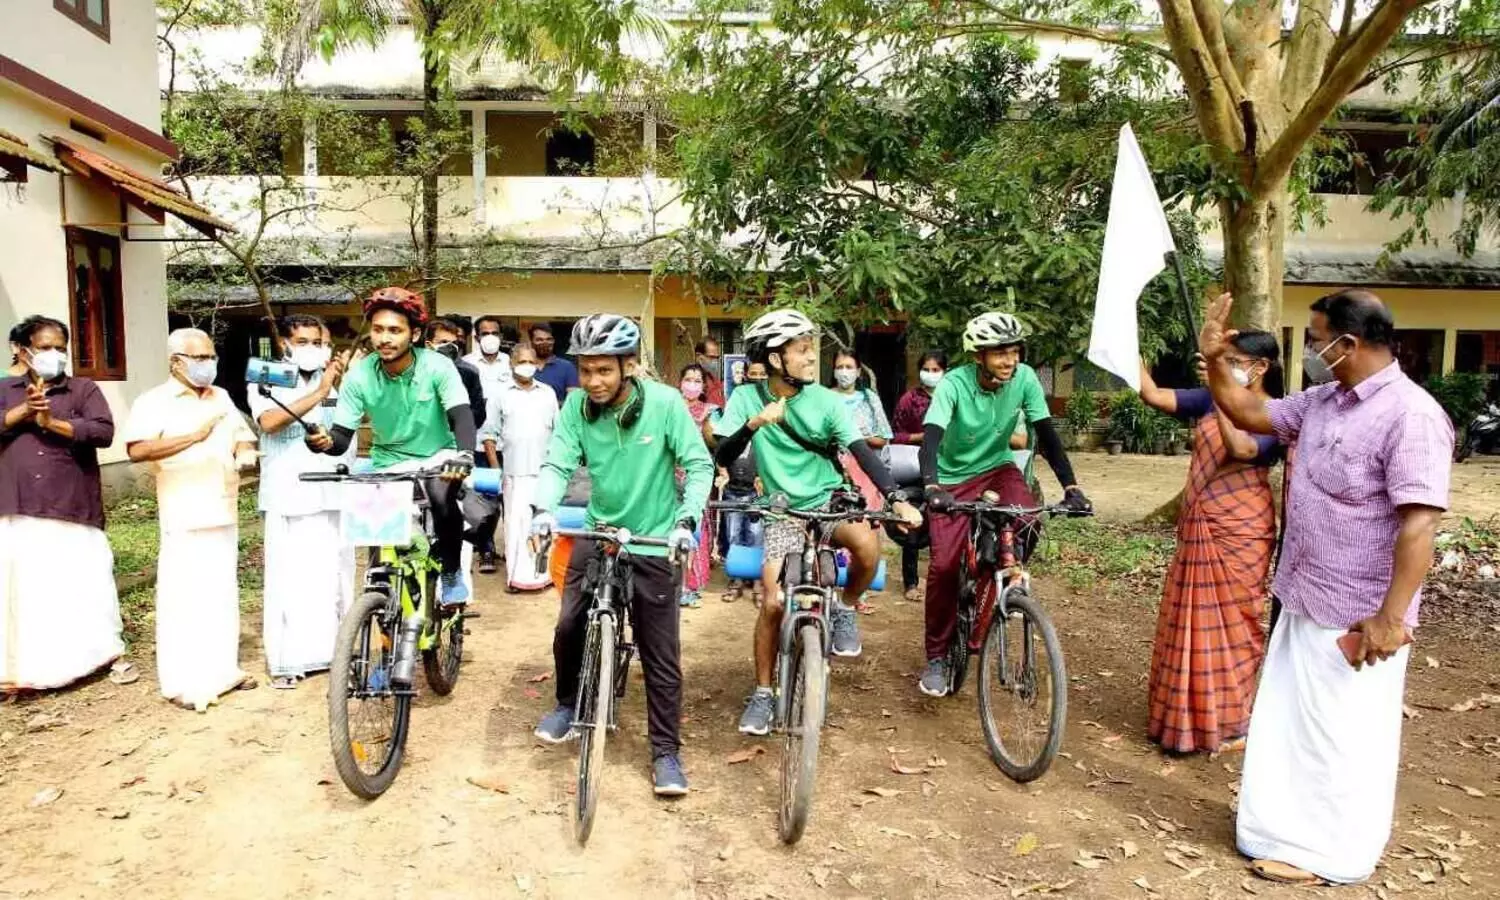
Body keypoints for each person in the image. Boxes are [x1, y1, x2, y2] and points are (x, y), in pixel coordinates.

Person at [1200, 290, 1451, 886]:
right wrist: (1213, 359)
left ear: (1349, 343)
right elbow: (1249, 412)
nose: (1311, 351)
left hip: (1358, 614)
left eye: (1316, 340)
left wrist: (1391, 618)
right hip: (1304, 594)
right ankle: (1280, 833)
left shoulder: (1411, 416)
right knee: (1292, 726)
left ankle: (1332, 855)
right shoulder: (1323, 401)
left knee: (1343, 738)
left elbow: (1420, 525)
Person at [712, 309, 921, 737]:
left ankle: (844, 607)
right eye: (803, 350)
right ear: (776, 359)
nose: (812, 358)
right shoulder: (747, 397)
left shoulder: (826, 401)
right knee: (773, 602)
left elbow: (860, 451)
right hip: (781, 509)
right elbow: (724, 454)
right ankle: (763, 692)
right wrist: (754, 424)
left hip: (829, 499)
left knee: (867, 547)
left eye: (811, 349)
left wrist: (896, 499)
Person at [529, 314, 712, 798]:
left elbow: (698, 465)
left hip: (654, 538)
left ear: (628, 366)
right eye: (586, 370)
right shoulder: (576, 407)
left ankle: (665, 752)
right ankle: (568, 703)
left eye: (604, 370)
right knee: (569, 625)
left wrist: (686, 521)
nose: (593, 381)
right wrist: (542, 510)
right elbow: (558, 462)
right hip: (600, 530)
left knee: (660, 652)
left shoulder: (666, 404)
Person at [919, 312, 1092, 697]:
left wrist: (1071, 486)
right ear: (978, 356)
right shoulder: (953, 384)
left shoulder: (1025, 379)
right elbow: (930, 439)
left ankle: (991, 582)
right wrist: (932, 486)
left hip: (998, 470)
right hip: (952, 479)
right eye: (1000, 353)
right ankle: (937, 656)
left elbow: (1046, 435)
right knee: (944, 566)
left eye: (1014, 352)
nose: (1010, 360)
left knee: (1028, 520)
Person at [1136, 333, 1285, 754]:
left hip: (1242, 528)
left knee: (1236, 623)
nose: (1226, 366)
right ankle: (1182, 722)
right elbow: (1152, 393)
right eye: (1224, 360)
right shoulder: (1205, 398)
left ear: (1261, 367)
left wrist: (1222, 392)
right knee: (1187, 620)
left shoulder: (1276, 413)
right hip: (1200, 522)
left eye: (1234, 360)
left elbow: (1242, 447)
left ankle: (1230, 721)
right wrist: (1129, 342)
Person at [306, 287, 477, 607]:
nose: (384, 338)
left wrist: (465, 454)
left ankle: (452, 572)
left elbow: (461, 415)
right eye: (378, 329)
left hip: (439, 456)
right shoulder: (359, 376)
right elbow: (340, 439)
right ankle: (381, 613)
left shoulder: (438, 366)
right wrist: (324, 443)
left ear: (414, 335)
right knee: (379, 543)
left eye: (395, 331)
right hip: (388, 462)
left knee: (443, 495)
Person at [124, 328, 258, 711]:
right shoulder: (154, 401)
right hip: (183, 510)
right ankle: (182, 682)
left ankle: (223, 671)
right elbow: (137, 449)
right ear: (176, 362)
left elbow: (241, 434)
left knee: (221, 593)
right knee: (183, 597)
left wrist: (244, 452)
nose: (208, 364)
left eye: (211, 357)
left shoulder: (221, 396)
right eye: (199, 358)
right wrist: (194, 437)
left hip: (222, 505)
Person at [1, 315, 125, 693]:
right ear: (21, 350)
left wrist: (51, 422)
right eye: (44, 347)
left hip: (71, 503)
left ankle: (87, 660)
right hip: (17, 505)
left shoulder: (83, 389)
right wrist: (23, 412)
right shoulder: (6, 390)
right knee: (25, 590)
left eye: (60, 348)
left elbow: (102, 431)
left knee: (75, 586)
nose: (54, 354)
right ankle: (22, 670)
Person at [251, 315, 355, 689]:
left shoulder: (339, 380)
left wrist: (338, 386)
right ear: (285, 345)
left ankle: (336, 654)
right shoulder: (268, 375)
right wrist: (321, 389)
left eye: (319, 342)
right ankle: (287, 661)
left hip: (333, 492)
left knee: (334, 576)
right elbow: (268, 421)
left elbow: (347, 428)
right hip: (290, 494)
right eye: (303, 342)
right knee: (291, 579)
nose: (313, 349)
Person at [479, 343, 558, 593]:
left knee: (545, 524)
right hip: (514, 472)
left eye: (531, 362)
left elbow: (559, 432)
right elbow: (489, 435)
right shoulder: (501, 394)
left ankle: (544, 576)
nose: (527, 366)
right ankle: (516, 578)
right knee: (515, 526)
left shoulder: (547, 393)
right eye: (522, 361)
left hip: (546, 471)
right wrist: (496, 470)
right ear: (512, 364)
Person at [428, 317, 494, 574]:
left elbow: (477, 415)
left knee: (457, 516)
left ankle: (455, 580)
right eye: (443, 341)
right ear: (428, 344)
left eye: (454, 341)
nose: (450, 346)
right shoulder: (412, 372)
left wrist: (458, 425)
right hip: (415, 456)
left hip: (455, 452)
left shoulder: (468, 372)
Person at [892, 351, 947, 601]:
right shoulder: (909, 400)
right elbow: (895, 435)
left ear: (945, 371)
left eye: (936, 370)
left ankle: (941, 582)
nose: (931, 374)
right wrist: (922, 438)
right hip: (915, 466)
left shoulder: (951, 396)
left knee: (945, 525)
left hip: (947, 467)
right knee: (913, 524)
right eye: (927, 369)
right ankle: (911, 582)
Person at [829, 349, 894, 518]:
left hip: (866, 467)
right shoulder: (825, 398)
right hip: (833, 469)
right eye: (840, 367)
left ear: (858, 372)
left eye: (849, 367)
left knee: (867, 517)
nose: (844, 372)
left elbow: (882, 438)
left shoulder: (870, 399)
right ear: (834, 371)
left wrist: (855, 438)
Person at [677, 363, 720, 608]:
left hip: (696, 477)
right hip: (668, 476)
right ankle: (671, 583)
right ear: (680, 382)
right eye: (688, 379)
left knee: (693, 526)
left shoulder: (709, 412)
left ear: (703, 387)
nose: (692, 384)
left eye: (697, 381)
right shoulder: (670, 407)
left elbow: (714, 442)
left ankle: (689, 585)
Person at [465, 315, 513, 400]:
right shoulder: (466, 363)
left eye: (495, 333)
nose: (490, 337)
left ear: (501, 337)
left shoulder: (510, 361)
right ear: (476, 338)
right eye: (485, 334)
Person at [530, 323, 579, 403]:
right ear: (531, 342)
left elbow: (573, 401)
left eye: (549, 339)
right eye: (539, 340)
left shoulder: (567, 367)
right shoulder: (524, 366)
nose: (545, 343)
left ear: (553, 341)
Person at [695, 337, 726, 406]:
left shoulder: (713, 379)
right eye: (711, 357)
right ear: (699, 357)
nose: (715, 361)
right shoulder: (691, 381)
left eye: (717, 358)